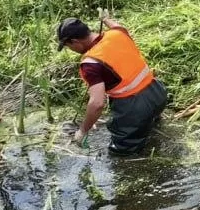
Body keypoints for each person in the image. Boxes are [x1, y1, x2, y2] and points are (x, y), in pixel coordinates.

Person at [58, 12, 168, 155]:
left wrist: (83, 130)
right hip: (157, 93)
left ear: (74, 41)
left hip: (134, 107)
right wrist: (105, 19)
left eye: (68, 46)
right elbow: (118, 26)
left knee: (122, 154)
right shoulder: (116, 34)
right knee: (151, 128)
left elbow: (97, 104)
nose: (72, 50)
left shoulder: (91, 64)